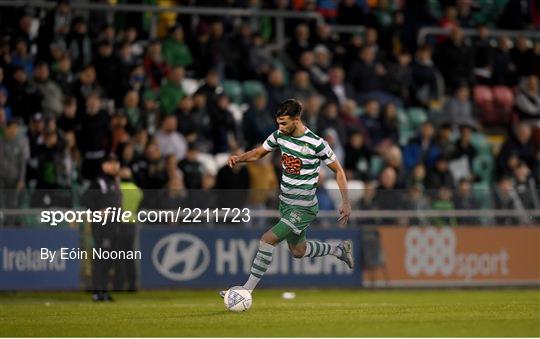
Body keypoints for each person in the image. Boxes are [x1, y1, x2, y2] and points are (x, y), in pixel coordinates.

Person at [220, 99, 354, 296]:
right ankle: (338, 250)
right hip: (286, 204)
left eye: (284, 123)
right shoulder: (279, 136)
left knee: (267, 240)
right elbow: (259, 153)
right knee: (298, 251)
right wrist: (239, 158)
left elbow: (339, 171)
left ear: (297, 119)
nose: (280, 127)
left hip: (304, 208)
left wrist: (346, 201)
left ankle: (245, 290)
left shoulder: (317, 143)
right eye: (278, 123)